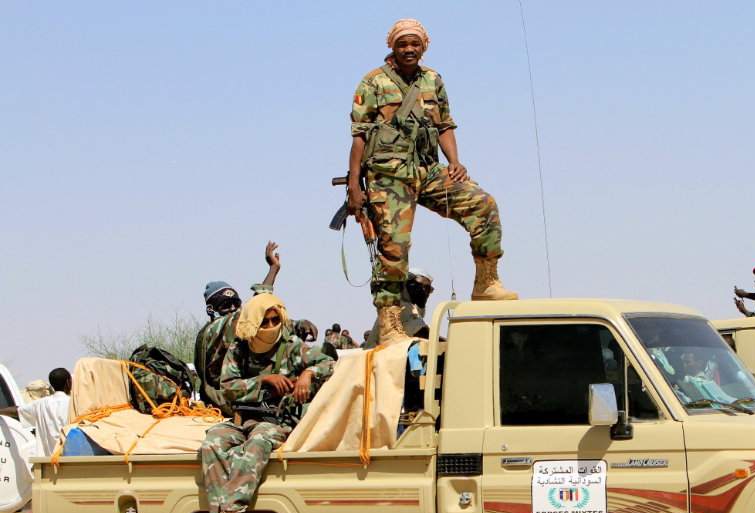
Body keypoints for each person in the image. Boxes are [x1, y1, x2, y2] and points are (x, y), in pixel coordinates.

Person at [348, 18, 517, 346]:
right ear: (392, 48)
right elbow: (358, 137)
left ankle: (486, 283)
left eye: (414, 44)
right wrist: (356, 187)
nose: (409, 49)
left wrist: (455, 162)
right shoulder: (373, 83)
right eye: (402, 44)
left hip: (427, 170)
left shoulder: (433, 81)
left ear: (423, 47)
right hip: (388, 175)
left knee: (483, 204)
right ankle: (390, 321)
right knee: (394, 248)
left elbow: (444, 126)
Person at [199, 293, 335, 513]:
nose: (271, 327)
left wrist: (307, 373)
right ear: (252, 324)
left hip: (277, 419)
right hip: (242, 418)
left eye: (275, 320)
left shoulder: (292, 346)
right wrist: (263, 380)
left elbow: (328, 363)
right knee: (212, 443)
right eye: (265, 322)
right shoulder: (238, 350)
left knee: (258, 442)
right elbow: (227, 387)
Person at [195, 242, 317, 415]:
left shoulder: (237, 330)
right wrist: (273, 270)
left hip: (245, 395)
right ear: (212, 311)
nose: (232, 309)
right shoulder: (214, 329)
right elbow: (254, 311)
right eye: (225, 305)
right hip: (225, 399)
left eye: (236, 303)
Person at [365, 267, 436, 346]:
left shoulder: (411, 309)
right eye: (418, 287)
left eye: (427, 288)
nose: (424, 292)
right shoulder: (403, 308)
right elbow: (423, 333)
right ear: (405, 288)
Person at [18, 368, 72, 458]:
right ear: (68, 383)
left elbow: (16, 410)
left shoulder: (40, 404)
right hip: (69, 460)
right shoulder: (73, 403)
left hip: (46, 462)